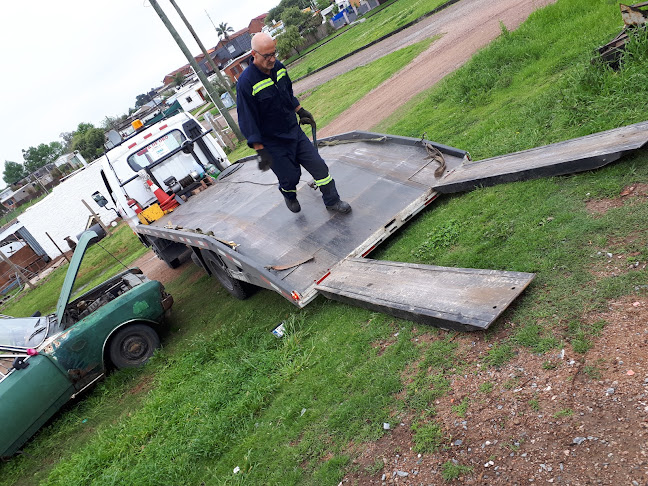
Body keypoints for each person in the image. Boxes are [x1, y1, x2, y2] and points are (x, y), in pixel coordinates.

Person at [236, 33, 351, 214]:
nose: (272, 59)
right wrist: (260, 150)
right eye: (267, 56)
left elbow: (287, 93)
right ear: (254, 54)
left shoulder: (279, 68)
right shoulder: (246, 83)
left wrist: (300, 111)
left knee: (319, 167)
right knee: (290, 177)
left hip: (293, 131)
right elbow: (247, 119)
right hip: (273, 143)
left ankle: (333, 201)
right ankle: (288, 194)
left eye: (274, 53)